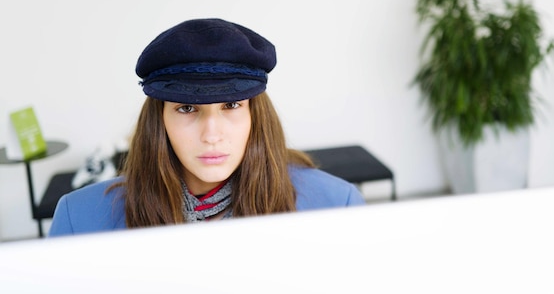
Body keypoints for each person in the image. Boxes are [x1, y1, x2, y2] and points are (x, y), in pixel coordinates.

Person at [49, 18, 365, 236]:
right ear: (159, 121)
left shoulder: (337, 205)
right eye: (187, 108)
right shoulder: (80, 218)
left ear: (256, 115)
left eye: (232, 105)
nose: (212, 135)